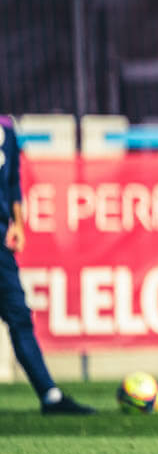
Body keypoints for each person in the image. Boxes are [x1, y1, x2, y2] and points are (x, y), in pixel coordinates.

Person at [0, 115, 94, 414]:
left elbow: (12, 181)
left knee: (19, 316)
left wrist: (17, 223)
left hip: (1, 243)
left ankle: (50, 396)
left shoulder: (6, 128)